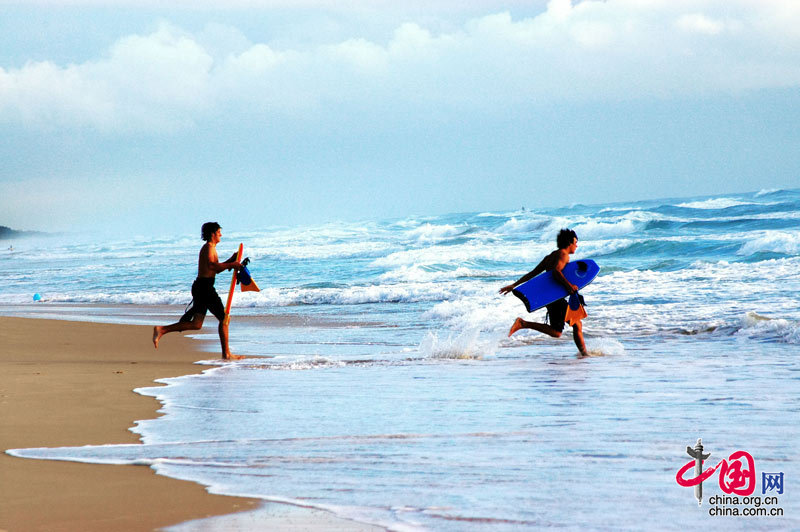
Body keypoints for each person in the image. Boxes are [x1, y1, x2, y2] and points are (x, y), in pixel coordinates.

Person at [153, 222, 244, 360]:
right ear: (213, 234)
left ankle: (162, 330)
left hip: (202, 287)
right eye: (219, 232)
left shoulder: (211, 248)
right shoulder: (208, 248)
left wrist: (231, 260)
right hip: (205, 288)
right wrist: (231, 264)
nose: (221, 234)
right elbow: (214, 267)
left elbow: (214, 268)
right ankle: (226, 354)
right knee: (224, 318)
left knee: (196, 324)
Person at [499, 228, 588, 356]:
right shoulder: (564, 254)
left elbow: (533, 273)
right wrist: (570, 286)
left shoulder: (551, 256)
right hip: (554, 298)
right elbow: (556, 272)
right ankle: (522, 323)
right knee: (571, 326)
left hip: (550, 297)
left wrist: (514, 285)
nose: (576, 245)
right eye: (575, 242)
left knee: (566, 328)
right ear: (569, 242)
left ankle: (584, 354)